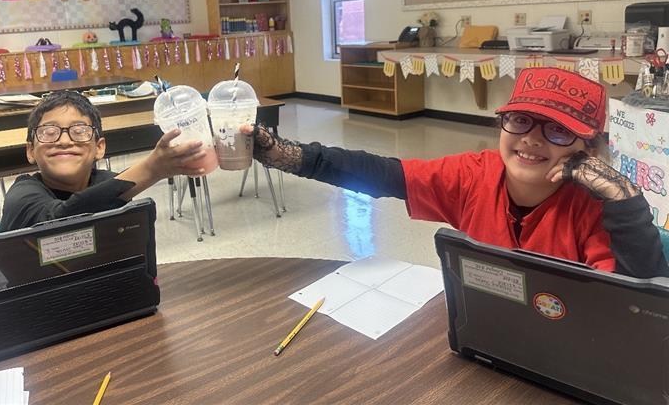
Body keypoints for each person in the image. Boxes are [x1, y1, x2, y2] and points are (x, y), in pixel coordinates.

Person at [248, 67, 669, 278]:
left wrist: (627, 206)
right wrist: (285, 154)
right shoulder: (475, 174)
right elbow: (379, 173)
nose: (532, 140)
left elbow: (637, 309)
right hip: (485, 329)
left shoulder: (594, 206)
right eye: (520, 121)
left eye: (558, 131)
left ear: (587, 150)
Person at [0, 90, 207, 231]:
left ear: (99, 148)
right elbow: (58, 221)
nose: (64, 141)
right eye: (49, 132)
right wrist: (152, 168)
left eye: (79, 131)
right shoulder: (22, 196)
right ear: (30, 150)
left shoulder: (110, 184)